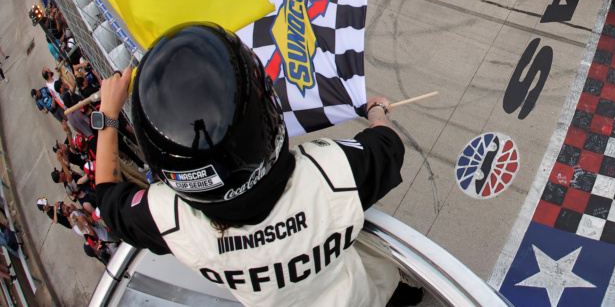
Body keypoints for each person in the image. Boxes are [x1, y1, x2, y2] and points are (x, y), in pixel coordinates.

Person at [96, 23, 421, 306]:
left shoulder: (173, 222)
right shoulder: (329, 173)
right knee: (386, 286)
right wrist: (376, 110)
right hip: (363, 295)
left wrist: (108, 115)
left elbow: (108, 202)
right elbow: (388, 144)